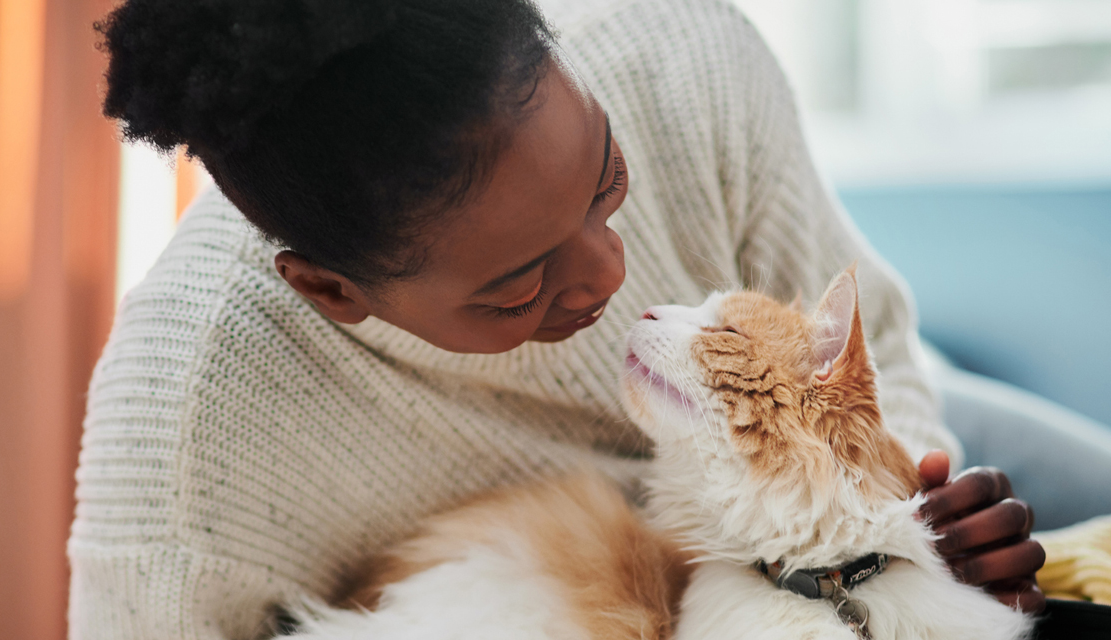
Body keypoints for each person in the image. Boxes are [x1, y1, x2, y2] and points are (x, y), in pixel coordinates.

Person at [74, 0, 1045, 637]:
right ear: (331, 290)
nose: (608, 274)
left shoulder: (683, 53)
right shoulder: (185, 431)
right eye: (516, 286)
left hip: (838, 472)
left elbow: (869, 348)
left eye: (606, 180)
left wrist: (913, 523)